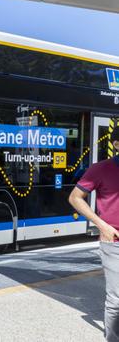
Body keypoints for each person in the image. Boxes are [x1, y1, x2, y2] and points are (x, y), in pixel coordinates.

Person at [69, 129, 119, 342]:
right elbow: (75, 197)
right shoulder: (101, 169)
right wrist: (102, 225)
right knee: (117, 301)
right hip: (114, 243)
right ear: (116, 144)